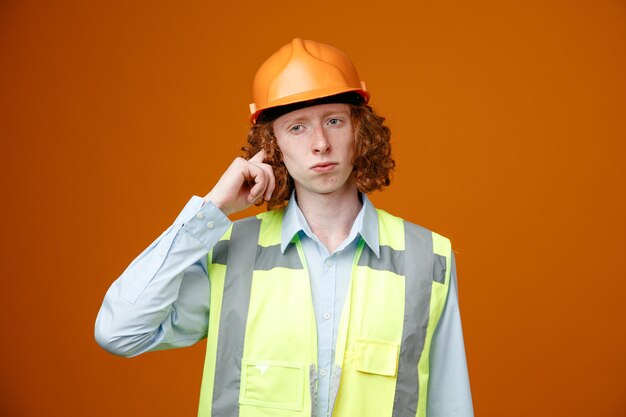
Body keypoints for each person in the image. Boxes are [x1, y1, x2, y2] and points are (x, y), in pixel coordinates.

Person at [95, 38, 474, 417]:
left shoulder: (429, 256)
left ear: (360, 132)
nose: (320, 144)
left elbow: (450, 402)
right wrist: (211, 210)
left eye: (334, 121)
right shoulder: (228, 254)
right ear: (271, 145)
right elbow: (120, 332)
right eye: (297, 128)